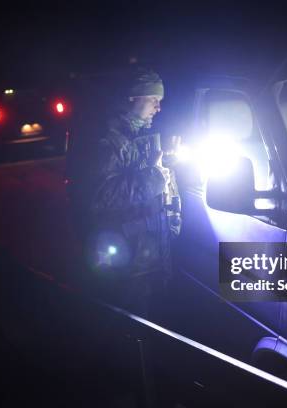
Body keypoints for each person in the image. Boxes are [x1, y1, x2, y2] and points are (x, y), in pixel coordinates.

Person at [67, 68, 181, 316]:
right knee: (132, 335)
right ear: (133, 98)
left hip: (149, 259)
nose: (158, 108)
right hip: (127, 266)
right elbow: (100, 195)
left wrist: (173, 217)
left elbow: (158, 186)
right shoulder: (108, 140)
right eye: (154, 100)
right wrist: (154, 177)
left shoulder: (143, 136)